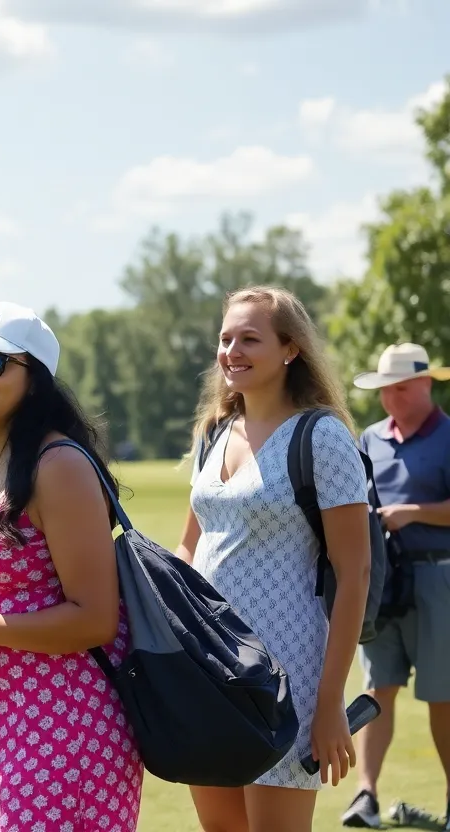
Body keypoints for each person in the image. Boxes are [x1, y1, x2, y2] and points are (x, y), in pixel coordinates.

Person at [0, 301, 143, 832]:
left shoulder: (58, 465)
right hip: (0, 727)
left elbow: (94, 619)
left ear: (36, 379)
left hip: (66, 729)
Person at [178, 286, 372, 832]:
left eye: (249, 338)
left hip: (289, 672)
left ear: (290, 349)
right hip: (209, 664)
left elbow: (355, 572)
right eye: (225, 339)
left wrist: (330, 701)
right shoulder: (214, 433)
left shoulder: (323, 438)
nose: (231, 351)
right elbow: (190, 544)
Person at [340, 343, 450, 831]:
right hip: (382, 579)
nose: (390, 399)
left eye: (400, 389)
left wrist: (416, 514)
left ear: (426, 384)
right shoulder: (369, 438)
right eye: (385, 391)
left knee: (441, 694)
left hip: (437, 576)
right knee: (377, 685)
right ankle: (366, 795)